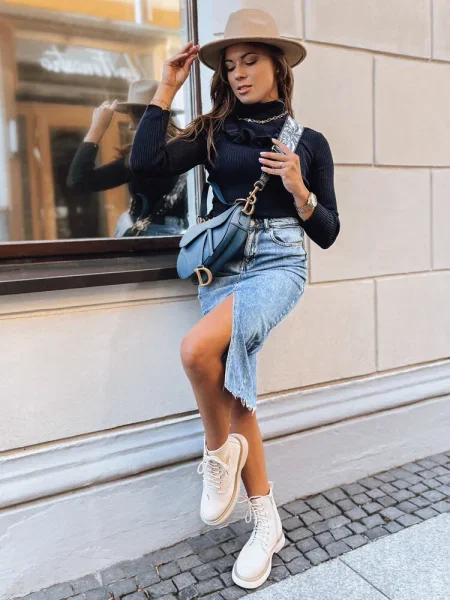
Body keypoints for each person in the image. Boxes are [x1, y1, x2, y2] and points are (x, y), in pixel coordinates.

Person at [130, 9, 340, 590]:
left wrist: (298, 188)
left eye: (250, 61)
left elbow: (327, 231)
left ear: (278, 66)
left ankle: (218, 454)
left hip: (278, 264)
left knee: (197, 351)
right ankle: (267, 523)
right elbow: (145, 165)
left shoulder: (310, 143)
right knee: (234, 391)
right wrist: (168, 87)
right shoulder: (214, 132)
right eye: (229, 66)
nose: (239, 73)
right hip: (221, 267)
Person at [67, 80, 187, 237]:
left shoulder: (143, 158)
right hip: (179, 237)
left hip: (148, 239)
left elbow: (78, 180)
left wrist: (97, 127)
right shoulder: (184, 148)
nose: (130, 126)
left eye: (133, 118)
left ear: (143, 120)